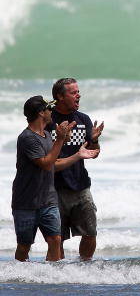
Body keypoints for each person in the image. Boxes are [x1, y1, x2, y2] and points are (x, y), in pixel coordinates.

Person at [12, 96, 98, 262]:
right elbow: (46, 164)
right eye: (49, 109)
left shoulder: (45, 135)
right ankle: (19, 280)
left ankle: (53, 278)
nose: (52, 112)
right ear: (41, 113)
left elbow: (54, 163)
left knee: (55, 240)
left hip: (48, 200)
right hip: (26, 202)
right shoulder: (27, 138)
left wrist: (78, 155)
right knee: (24, 245)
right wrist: (60, 139)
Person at [48, 78, 104, 260]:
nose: (78, 95)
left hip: (81, 186)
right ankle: (60, 276)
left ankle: (84, 269)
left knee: (90, 233)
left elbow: (93, 153)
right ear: (60, 97)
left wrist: (94, 139)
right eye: (73, 92)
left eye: (78, 91)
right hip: (54, 188)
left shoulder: (83, 120)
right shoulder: (48, 120)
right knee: (57, 239)